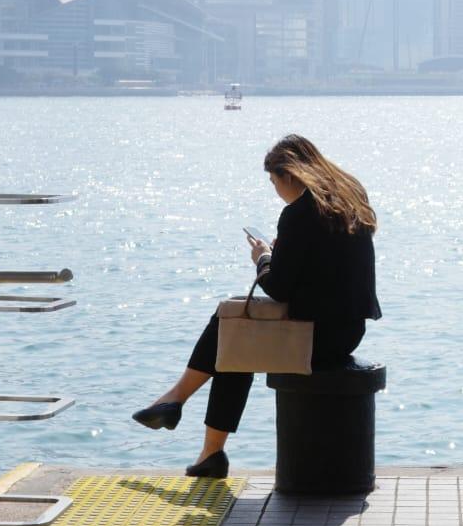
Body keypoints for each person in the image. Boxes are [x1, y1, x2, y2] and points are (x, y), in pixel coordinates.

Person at [132, 134, 382, 479]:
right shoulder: (349, 198)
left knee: (232, 330)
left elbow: (279, 287)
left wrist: (263, 257)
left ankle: (179, 407)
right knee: (234, 337)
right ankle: (205, 449)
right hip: (348, 331)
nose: (275, 189)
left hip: (317, 338)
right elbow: (325, 266)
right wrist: (284, 252)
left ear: (289, 176)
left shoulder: (299, 213)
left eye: (273, 181)